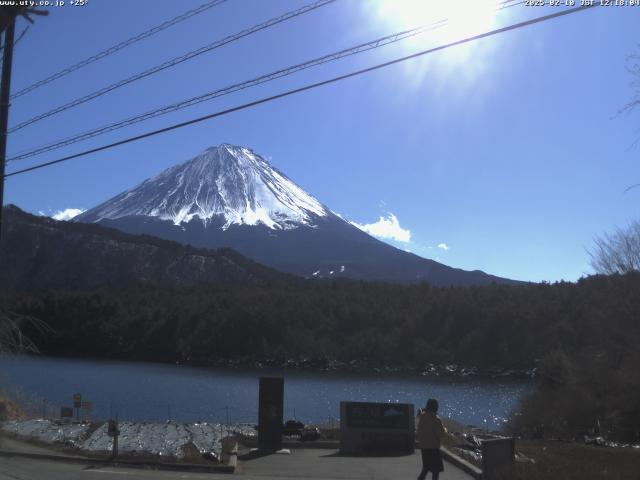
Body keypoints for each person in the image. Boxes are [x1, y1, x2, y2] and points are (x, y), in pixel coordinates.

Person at [416, 398, 446, 480]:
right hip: (433, 447)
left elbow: (418, 431)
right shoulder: (436, 419)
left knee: (425, 468)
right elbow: (442, 433)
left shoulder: (422, 417)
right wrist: (445, 429)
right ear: (436, 407)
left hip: (423, 447)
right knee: (436, 470)